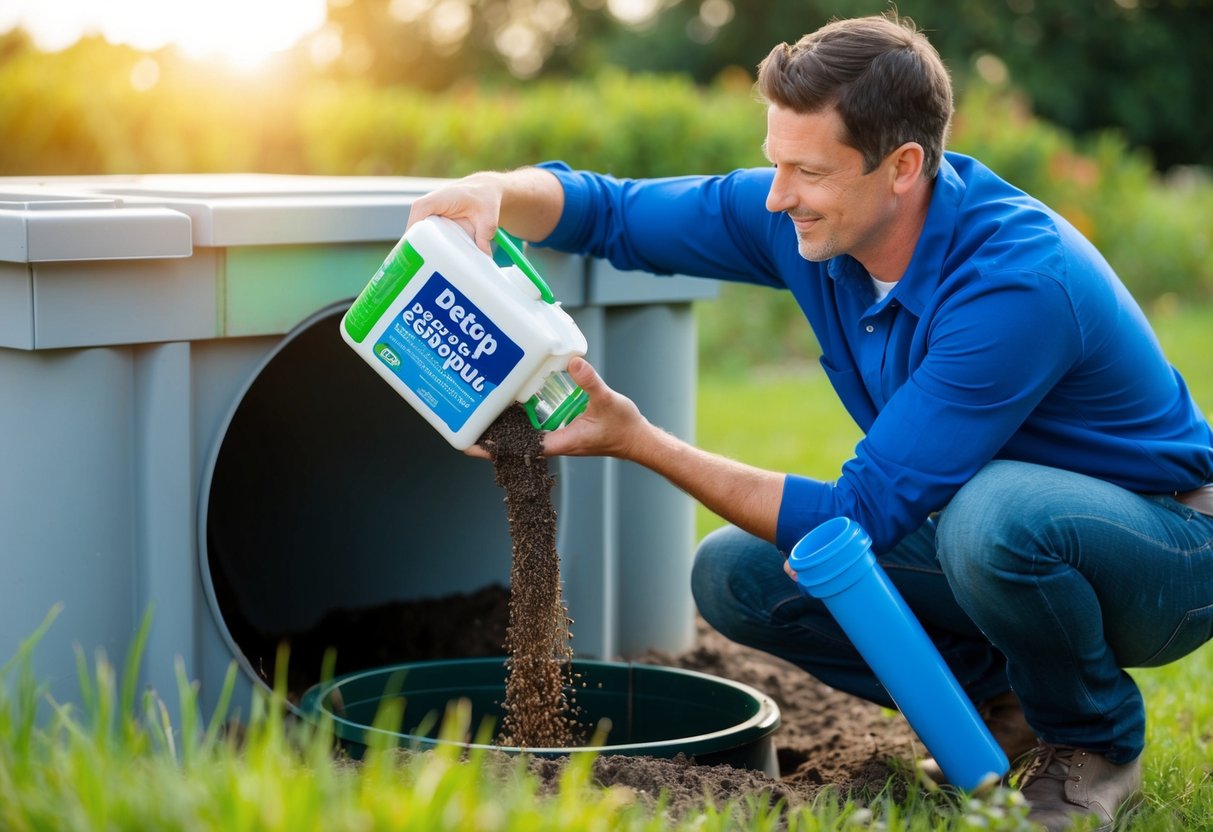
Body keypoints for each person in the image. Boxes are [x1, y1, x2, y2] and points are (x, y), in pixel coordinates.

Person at [405, 13, 1213, 831]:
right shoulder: (810, 224)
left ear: (901, 167)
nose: (777, 194)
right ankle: (1004, 708)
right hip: (1005, 536)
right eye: (774, 162)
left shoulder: (1014, 284)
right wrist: (496, 191)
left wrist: (636, 438)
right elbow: (611, 215)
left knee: (989, 519)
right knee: (737, 574)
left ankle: (1093, 747)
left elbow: (852, 522)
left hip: (1164, 547)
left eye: (807, 170)